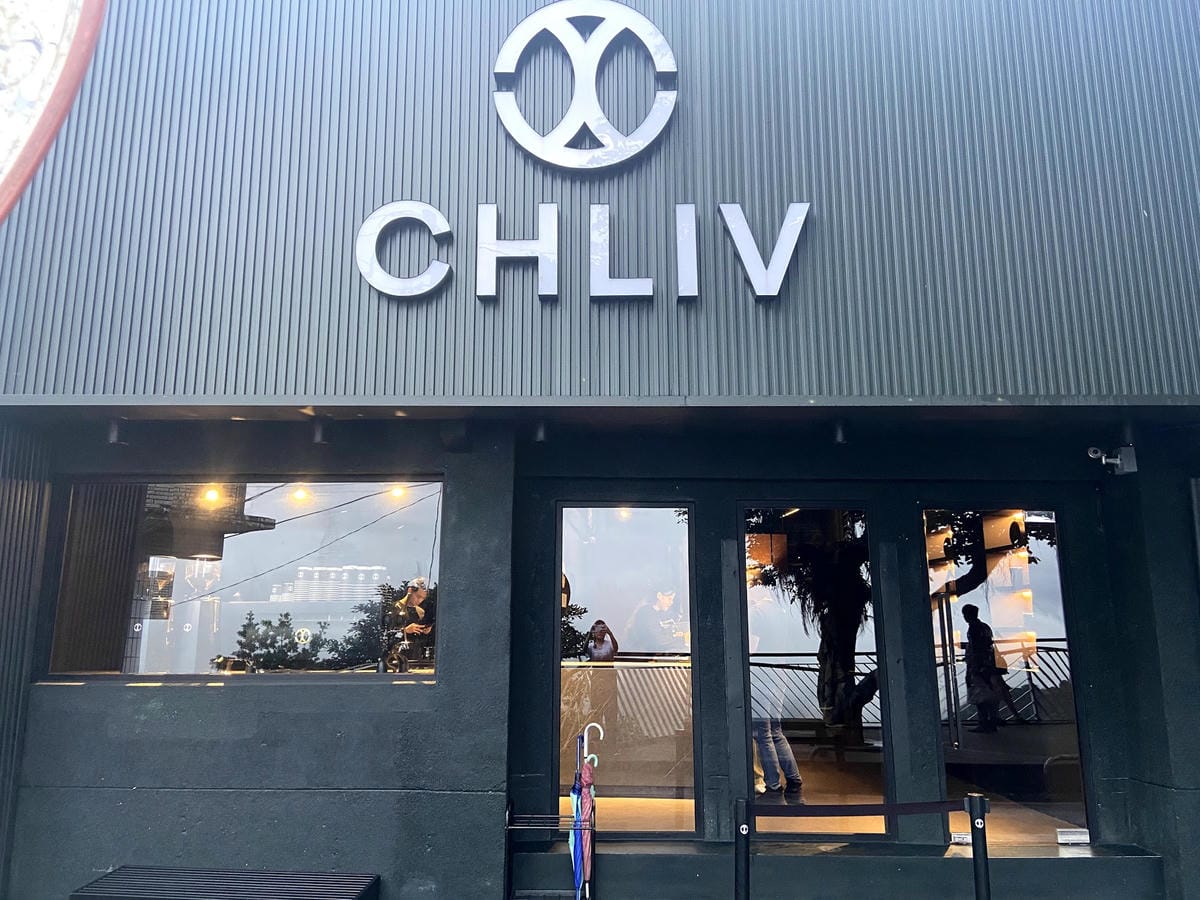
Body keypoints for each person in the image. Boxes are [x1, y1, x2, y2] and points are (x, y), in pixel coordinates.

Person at [747, 583, 804, 800]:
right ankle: (794, 778)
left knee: (762, 732)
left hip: (762, 674)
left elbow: (751, 646)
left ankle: (772, 784)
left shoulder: (757, 612)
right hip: (780, 672)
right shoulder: (780, 611)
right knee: (776, 731)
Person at [962, 603, 1000, 733]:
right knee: (989, 694)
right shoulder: (985, 627)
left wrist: (974, 666)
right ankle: (992, 722)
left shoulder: (974, 628)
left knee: (980, 695)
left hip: (978, 665)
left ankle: (984, 723)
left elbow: (976, 648)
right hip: (988, 664)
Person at [627, 588, 688, 653]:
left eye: (672, 599)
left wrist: (673, 635)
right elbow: (659, 641)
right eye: (669, 599)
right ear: (659, 596)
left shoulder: (656, 612)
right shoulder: (647, 613)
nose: (671, 602)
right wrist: (683, 639)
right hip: (643, 654)